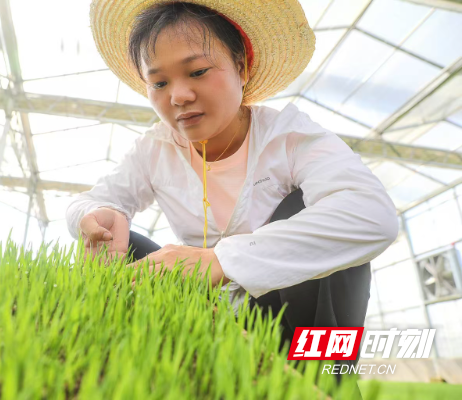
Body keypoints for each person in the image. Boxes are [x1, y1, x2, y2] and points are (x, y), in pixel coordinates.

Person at [66, 0, 399, 388]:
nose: (178, 96)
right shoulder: (154, 149)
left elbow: (372, 214)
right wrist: (95, 215)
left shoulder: (288, 137)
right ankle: (158, 367)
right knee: (124, 243)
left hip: (298, 326)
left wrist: (222, 260)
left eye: (197, 71)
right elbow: (86, 202)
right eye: (159, 83)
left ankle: (327, 384)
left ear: (240, 65)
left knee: (312, 212)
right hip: (209, 318)